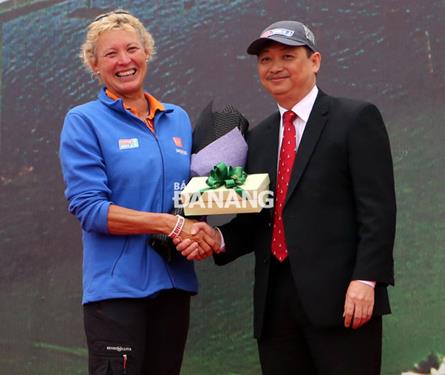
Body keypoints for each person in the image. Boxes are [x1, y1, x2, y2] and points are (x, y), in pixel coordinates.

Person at [176, 20, 396, 374]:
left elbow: (378, 210)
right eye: (265, 59)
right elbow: (256, 220)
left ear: (315, 61)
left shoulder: (355, 118)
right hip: (275, 308)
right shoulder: (258, 138)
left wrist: (366, 280)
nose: (275, 67)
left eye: (287, 56)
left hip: (344, 300)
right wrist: (215, 237)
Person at [59, 10, 216, 375]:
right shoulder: (83, 121)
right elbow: (90, 209)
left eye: (132, 48)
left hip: (174, 288)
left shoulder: (177, 118)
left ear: (147, 53)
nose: (124, 60)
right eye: (111, 54)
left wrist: (200, 231)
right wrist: (171, 225)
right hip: (116, 295)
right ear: (94, 64)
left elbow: (191, 196)